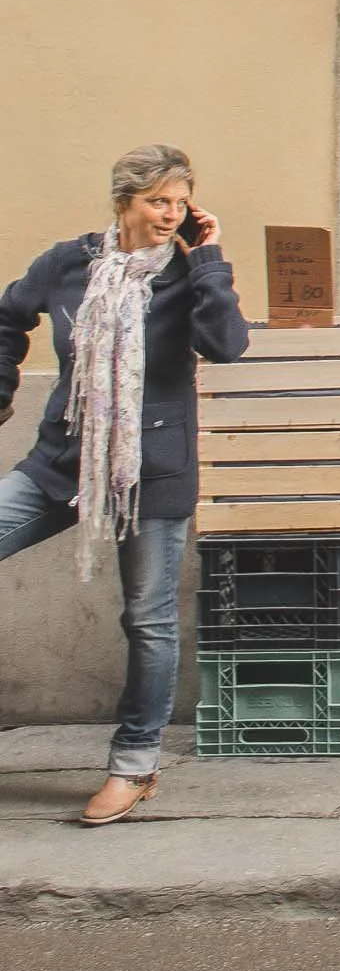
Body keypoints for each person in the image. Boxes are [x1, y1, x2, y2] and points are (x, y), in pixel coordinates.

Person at [0, 145, 249, 821]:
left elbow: (227, 344)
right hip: (62, 463)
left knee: (147, 619)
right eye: (156, 201)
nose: (169, 214)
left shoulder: (189, 273)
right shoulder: (66, 264)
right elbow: (8, 317)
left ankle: (135, 766)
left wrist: (210, 260)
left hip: (153, 470)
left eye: (179, 201)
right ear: (124, 203)